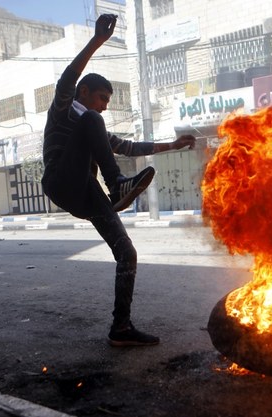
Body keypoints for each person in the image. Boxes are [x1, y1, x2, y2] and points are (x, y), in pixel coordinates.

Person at [41, 14, 195, 347]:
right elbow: (67, 80)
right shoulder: (64, 110)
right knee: (93, 124)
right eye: (102, 99)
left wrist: (175, 144)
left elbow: (131, 146)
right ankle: (118, 185)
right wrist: (98, 40)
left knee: (127, 253)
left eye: (108, 102)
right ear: (84, 92)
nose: (105, 107)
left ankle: (121, 328)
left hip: (86, 191)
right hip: (59, 181)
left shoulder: (93, 124)